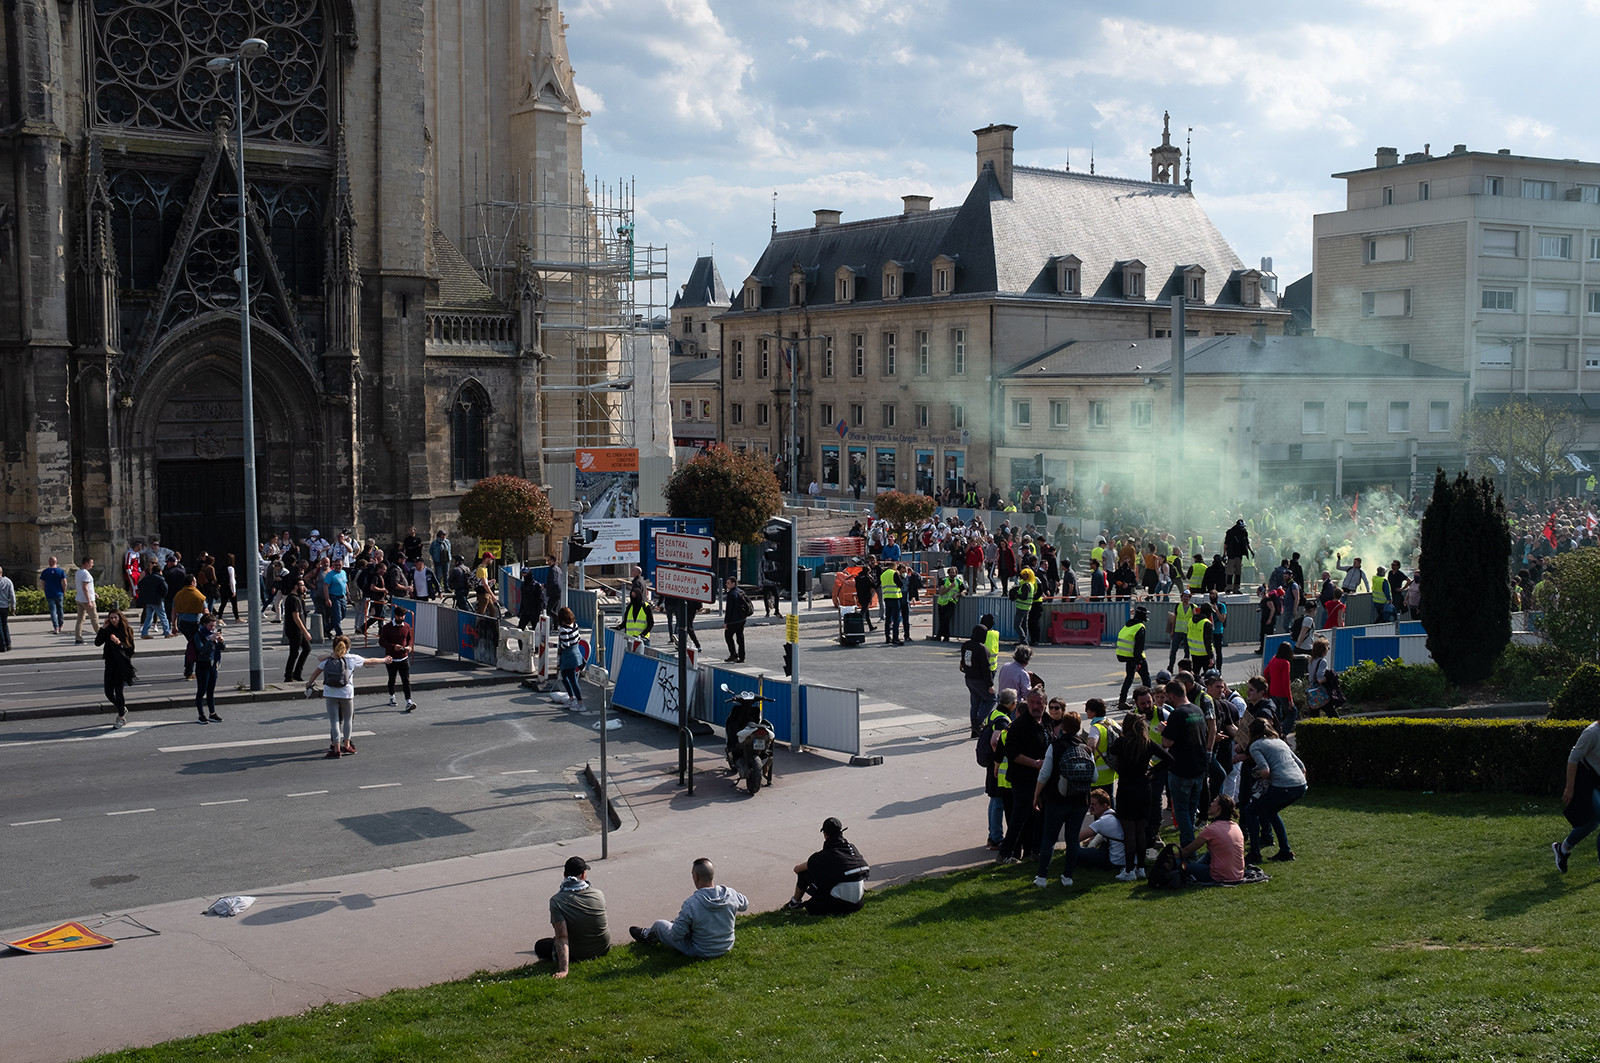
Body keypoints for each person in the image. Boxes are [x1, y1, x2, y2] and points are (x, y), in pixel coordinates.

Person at [629, 858, 749, 958]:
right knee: (681, 923)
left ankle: (645, 934)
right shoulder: (730, 894)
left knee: (660, 925)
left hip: (701, 950)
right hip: (726, 945)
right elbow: (745, 905)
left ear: (695, 876)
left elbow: (676, 935)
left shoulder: (692, 904)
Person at [1108, 705, 1171, 881]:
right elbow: (1169, 759)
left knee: (1129, 832)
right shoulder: (1148, 743)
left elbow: (1111, 752)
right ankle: (1141, 868)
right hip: (1144, 789)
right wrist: (1153, 771)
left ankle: (1129, 870)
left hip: (1126, 790)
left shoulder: (1122, 743)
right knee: (1141, 830)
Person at [1032, 710, 1093, 887]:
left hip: (1057, 799)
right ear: (1079, 727)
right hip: (1080, 800)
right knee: (1072, 839)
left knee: (1049, 838)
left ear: (1063, 727)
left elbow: (1044, 774)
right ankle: (1067, 877)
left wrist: (1036, 795)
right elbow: (1094, 776)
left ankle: (1042, 877)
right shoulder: (1085, 748)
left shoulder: (1055, 746)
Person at [306, 635, 390, 758]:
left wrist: (309, 684)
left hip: (330, 692)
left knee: (334, 720)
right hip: (346, 693)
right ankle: (347, 745)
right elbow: (370, 661)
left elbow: (316, 671)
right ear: (348, 647)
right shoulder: (352, 658)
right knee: (348, 719)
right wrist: (384, 660)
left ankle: (336, 748)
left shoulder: (328, 660)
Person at [1241, 718, 1307, 863]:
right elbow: (1302, 767)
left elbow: (1265, 771)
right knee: (1270, 811)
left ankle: (1255, 854)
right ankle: (1285, 851)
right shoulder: (1280, 742)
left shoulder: (1256, 746)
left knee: (1250, 811)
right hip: (1300, 785)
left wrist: (1258, 776)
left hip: (1283, 786)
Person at [535, 856, 610, 978]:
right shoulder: (598, 894)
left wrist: (563, 970)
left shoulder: (557, 901)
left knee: (540, 946)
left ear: (565, 875)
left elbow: (562, 936)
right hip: (603, 948)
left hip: (579, 954)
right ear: (584, 874)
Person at [786, 817, 871, 915]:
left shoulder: (824, 855)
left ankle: (794, 903)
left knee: (804, 873)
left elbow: (797, 869)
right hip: (858, 903)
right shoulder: (852, 848)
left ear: (825, 835)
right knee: (835, 876)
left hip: (840, 906)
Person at [1161, 679, 1208, 848]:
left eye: (1168, 696)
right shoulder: (1197, 710)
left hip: (1181, 768)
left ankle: (1189, 847)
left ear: (1172, 695)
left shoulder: (1177, 713)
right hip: (1199, 766)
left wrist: (1162, 730)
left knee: (1181, 810)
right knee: (1191, 808)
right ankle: (1190, 843)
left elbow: (1167, 742)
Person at [1554, 711, 1600, 873]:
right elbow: (1573, 758)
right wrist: (1570, 787)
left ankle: (1563, 849)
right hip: (1585, 780)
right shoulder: (1591, 733)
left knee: (1592, 823)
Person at [1182, 794, 1247, 883]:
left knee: (1180, 864)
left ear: (1219, 808)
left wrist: (1174, 857)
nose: (1211, 803)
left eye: (1214, 802)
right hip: (1237, 874)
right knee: (1210, 854)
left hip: (1218, 876)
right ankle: (1194, 869)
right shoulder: (1235, 826)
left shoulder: (1212, 829)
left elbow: (1188, 850)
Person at [95, 608, 137, 727]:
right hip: (110, 663)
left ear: (120, 617)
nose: (113, 620)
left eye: (115, 617)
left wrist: (119, 643)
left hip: (121, 665)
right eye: (111, 618)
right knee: (108, 692)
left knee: (118, 691)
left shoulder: (127, 630)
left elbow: (131, 650)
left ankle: (121, 717)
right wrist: (103, 628)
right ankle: (121, 708)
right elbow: (97, 643)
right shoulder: (107, 630)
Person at [1073, 787, 1126, 876]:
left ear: (1104, 806)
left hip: (1113, 860)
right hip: (1121, 857)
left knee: (1074, 852)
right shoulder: (1112, 814)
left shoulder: (1102, 821)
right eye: (1090, 804)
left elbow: (1076, 839)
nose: (1090, 807)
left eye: (1093, 804)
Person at [960, 623, 996, 736]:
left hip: (969, 678)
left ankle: (974, 730)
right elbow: (986, 668)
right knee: (991, 699)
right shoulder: (982, 649)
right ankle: (977, 723)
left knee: (975, 703)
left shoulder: (966, 645)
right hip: (979, 679)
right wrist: (990, 684)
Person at [190, 612, 225, 723]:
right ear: (204, 625)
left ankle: (212, 713)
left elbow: (221, 648)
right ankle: (201, 715)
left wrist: (221, 642)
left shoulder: (212, 634)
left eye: (214, 626)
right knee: (201, 690)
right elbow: (202, 650)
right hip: (202, 665)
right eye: (210, 626)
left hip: (212, 665)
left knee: (211, 691)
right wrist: (210, 640)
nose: (212, 628)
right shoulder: (199, 635)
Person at [380, 608, 416, 712]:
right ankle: (392, 696)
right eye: (399, 616)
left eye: (403, 616)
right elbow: (382, 642)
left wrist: (409, 646)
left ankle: (408, 701)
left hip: (404, 658)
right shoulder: (387, 627)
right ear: (395, 616)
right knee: (392, 678)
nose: (401, 618)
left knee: (406, 680)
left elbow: (410, 639)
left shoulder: (407, 626)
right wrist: (393, 647)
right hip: (391, 659)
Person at [1116, 605, 1150, 706]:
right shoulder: (1140, 627)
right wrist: (1138, 661)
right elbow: (1139, 647)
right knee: (1146, 679)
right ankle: (1149, 700)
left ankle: (1122, 701)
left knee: (1129, 679)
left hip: (1126, 656)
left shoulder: (1128, 625)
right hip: (1135, 657)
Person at [283, 578, 312, 682]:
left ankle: (296, 673)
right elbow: (296, 617)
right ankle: (288, 676)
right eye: (301, 585)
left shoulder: (298, 598)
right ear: (295, 586)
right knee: (294, 653)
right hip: (295, 630)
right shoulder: (293, 599)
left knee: (307, 649)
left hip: (298, 630)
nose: (304, 587)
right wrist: (305, 631)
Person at [555, 607, 585, 709]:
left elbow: (565, 645)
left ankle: (579, 703)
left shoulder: (563, 629)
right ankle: (572, 698)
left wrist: (554, 645)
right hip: (576, 654)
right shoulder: (575, 625)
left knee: (570, 679)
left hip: (568, 656)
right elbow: (578, 639)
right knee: (565, 676)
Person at [1264, 642, 1295, 734]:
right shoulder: (1285, 663)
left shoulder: (1273, 659)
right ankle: (1284, 731)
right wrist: (1290, 699)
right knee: (1293, 712)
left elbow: (1265, 672)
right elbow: (1286, 683)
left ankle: (1276, 731)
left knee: (1277, 715)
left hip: (1273, 691)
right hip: (1282, 693)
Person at [723, 576, 751, 663]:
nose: (726, 585)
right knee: (740, 637)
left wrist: (726, 622)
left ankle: (733, 654)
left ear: (733, 584)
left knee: (728, 635)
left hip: (734, 620)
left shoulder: (731, 594)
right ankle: (742, 657)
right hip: (742, 619)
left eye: (728, 583)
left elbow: (729, 610)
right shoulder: (740, 591)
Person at [39, 556, 68, 635]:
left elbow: (42, 583)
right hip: (59, 593)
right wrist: (64, 591)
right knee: (60, 609)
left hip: (49, 593)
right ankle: (61, 625)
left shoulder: (45, 571)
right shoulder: (61, 571)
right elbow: (64, 582)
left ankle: (56, 627)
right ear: (56, 562)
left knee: (53, 611)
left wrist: (45, 590)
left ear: (49, 562)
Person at [73, 556, 98, 645]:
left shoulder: (78, 572)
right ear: (86, 563)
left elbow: (84, 587)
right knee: (94, 618)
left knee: (80, 619)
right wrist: (89, 601)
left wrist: (93, 593)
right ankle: (101, 636)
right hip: (86, 599)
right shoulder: (86, 574)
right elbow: (85, 588)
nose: (92, 564)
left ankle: (78, 637)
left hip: (79, 598)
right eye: (91, 563)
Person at [0, 566, 13, 652]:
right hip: (5, 606)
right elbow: (12, 594)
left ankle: (2, 645)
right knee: (4, 624)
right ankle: (8, 643)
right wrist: (13, 606)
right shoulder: (8, 581)